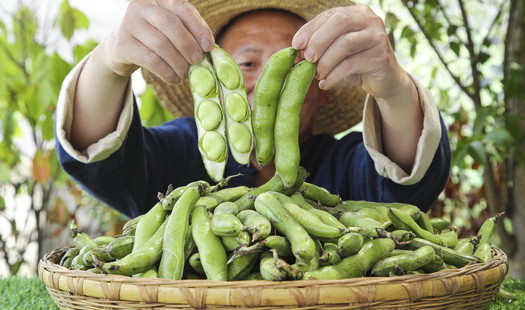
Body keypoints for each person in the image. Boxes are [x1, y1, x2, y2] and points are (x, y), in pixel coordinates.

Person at [55, 0, 451, 219]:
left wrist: (394, 87)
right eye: (245, 63)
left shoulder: (346, 163)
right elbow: (98, 152)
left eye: (290, 67)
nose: (266, 83)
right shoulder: (180, 150)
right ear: (211, 80)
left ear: (325, 89)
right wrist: (109, 61)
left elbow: (407, 183)